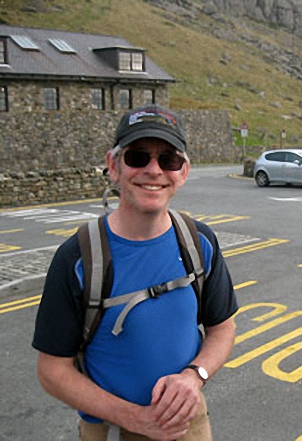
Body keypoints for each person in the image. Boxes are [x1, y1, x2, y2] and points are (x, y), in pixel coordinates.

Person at [32, 104, 238, 441]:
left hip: (189, 424)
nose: (154, 170)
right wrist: (135, 418)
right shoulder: (78, 257)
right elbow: (52, 371)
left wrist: (193, 376)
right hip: (111, 430)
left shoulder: (199, 241)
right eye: (138, 157)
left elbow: (223, 328)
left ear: (183, 172)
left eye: (168, 159)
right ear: (114, 166)